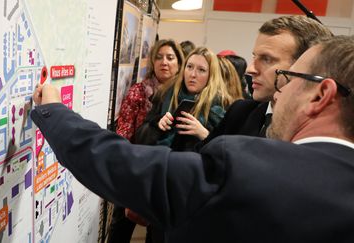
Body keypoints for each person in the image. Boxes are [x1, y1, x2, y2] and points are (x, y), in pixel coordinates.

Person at [31, 35, 354, 243]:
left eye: (287, 77)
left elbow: (119, 163)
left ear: (320, 95)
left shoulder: (247, 167)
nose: (278, 92)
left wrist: (54, 111)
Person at [199, 15, 333, 143]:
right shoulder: (240, 113)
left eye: (267, 59)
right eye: (254, 57)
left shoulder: (319, 131)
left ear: (303, 64)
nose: (250, 70)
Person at [111, 39, 184, 243]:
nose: (164, 62)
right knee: (122, 224)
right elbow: (124, 130)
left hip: (166, 173)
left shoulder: (184, 94)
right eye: (159, 57)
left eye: (170, 58)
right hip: (136, 166)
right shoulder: (139, 91)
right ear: (152, 62)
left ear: (179, 62)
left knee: (158, 231)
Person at [134, 47, 233, 151]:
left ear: (211, 75)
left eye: (201, 70)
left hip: (193, 165)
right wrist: (158, 125)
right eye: (189, 67)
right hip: (159, 160)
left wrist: (204, 134)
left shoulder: (221, 104)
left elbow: (225, 152)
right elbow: (140, 137)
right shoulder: (165, 94)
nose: (193, 74)